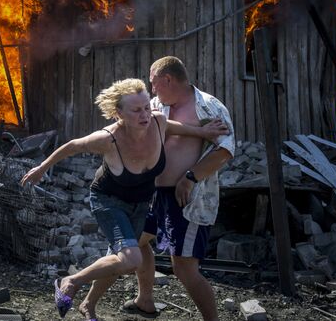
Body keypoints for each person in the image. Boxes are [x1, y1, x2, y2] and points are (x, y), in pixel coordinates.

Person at [20, 78, 228, 320]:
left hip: (141, 203)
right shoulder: (108, 139)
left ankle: (128, 301)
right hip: (109, 201)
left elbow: (175, 127)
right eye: (136, 110)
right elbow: (72, 146)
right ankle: (70, 281)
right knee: (130, 259)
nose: (145, 115)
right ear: (119, 113)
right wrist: (41, 168)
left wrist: (202, 132)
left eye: (146, 108)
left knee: (127, 253)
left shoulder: (158, 122)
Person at [106, 56, 233, 321]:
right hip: (151, 195)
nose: (153, 91)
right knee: (135, 241)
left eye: (154, 84)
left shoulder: (209, 107)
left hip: (187, 197)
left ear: (168, 80)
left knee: (184, 268)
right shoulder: (153, 106)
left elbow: (225, 150)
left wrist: (190, 178)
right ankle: (145, 300)